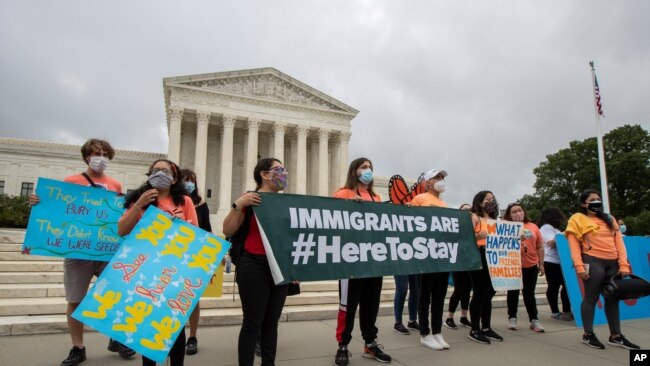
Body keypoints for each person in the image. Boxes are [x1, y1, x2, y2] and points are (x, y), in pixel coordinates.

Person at [29, 138, 135, 366]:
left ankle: (116, 338)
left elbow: (118, 216)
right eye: (97, 153)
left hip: (107, 251)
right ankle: (78, 347)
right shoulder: (72, 181)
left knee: (116, 295)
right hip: (77, 252)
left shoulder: (115, 185)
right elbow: (56, 207)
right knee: (75, 300)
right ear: (87, 156)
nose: (102, 158)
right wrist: (38, 202)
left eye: (106, 154)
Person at [118, 159, 198, 366]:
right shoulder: (139, 200)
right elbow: (122, 230)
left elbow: (197, 236)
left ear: (174, 177)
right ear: (149, 174)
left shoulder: (185, 202)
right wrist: (139, 204)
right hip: (146, 270)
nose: (161, 173)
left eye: (166, 171)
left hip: (175, 270)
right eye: (156, 170)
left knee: (175, 324)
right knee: (148, 324)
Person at [222, 158, 290, 366]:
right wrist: (237, 205)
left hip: (280, 267)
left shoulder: (287, 203)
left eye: (284, 169)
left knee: (271, 324)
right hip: (254, 265)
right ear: (264, 174)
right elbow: (228, 230)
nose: (283, 173)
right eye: (278, 169)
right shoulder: (250, 199)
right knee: (252, 323)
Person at [565, 189, 640, 350]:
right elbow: (573, 245)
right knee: (591, 298)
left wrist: (624, 264)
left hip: (613, 263)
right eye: (592, 199)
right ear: (583, 204)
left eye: (598, 199)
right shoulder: (577, 219)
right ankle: (588, 334)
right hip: (592, 261)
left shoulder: (609, 219)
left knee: (613, 299)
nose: (596, 201)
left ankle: (616, 336)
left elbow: (619, 242)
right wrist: (579, 266)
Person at [334, 157, 392, 366]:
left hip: (374, 261)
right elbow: (331, 222)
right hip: (351, 262)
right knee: (347, 306)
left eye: (370, 168)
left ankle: (370, 343)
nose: (368, 170)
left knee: (371, 305)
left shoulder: (376, 198)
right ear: (354, 171)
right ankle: (343, 345)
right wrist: (350, 208)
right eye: (364, 167)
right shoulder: (342, 194)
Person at [407, 169, 451, 350]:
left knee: (439, 295)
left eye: (442, 177)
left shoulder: (443, 203)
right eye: (438, 177)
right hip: (426, 255)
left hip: (440, 254)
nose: (441, 180)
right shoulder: (420, 199)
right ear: (428, 182)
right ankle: (425, 333)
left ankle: (437, 331)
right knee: (424, 295)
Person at [180, 169, 213, 355]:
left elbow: (207, 230)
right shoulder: (169, 201)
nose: (188, 183)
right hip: (170, 256)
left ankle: (192, 336)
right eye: (185, 180)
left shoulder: (200, 204)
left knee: (192, 299)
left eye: (191, 180)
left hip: (193, 256)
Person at [467, 191, 503, 344]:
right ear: (480, 202)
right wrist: (477, 236)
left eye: (492, 198)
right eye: (487, 199)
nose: (491, 201)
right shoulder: (474, 217)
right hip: (479, 256)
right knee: (480, 292)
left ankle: (486, 327)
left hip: (494, 257)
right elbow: (464, 237)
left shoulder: (496, 220)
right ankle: (475, 329)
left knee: (489, 292)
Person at [503, 202, 545, 333]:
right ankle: (512, 318)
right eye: (514, 212)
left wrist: (541, 264)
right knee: (513, 293)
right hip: (513, 265)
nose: (517, 213)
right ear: (509, 215)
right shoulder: (506, 228)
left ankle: (534, 319)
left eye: (519, 210)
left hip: (530, 265)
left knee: (529, 294)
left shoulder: (533, 227)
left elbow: (540, 246)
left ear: (524, 212)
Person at [538, 208, 573, 321]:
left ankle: (566, 311)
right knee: (554, 286)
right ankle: (555, 311)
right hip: (551, 261)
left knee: (566, 286)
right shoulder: (546, 228)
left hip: (560, 261)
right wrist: (565, 233)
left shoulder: (555, 229)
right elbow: (551, 243)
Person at [445, 203, 473, 329]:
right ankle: (449, 317)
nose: (468, 211)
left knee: (467, 290)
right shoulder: (455, 226)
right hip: (458, 262)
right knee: (459, 289)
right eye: (465, 209)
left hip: (470, 262)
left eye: (470, 209)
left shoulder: (474, 226)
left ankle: (463, 316)